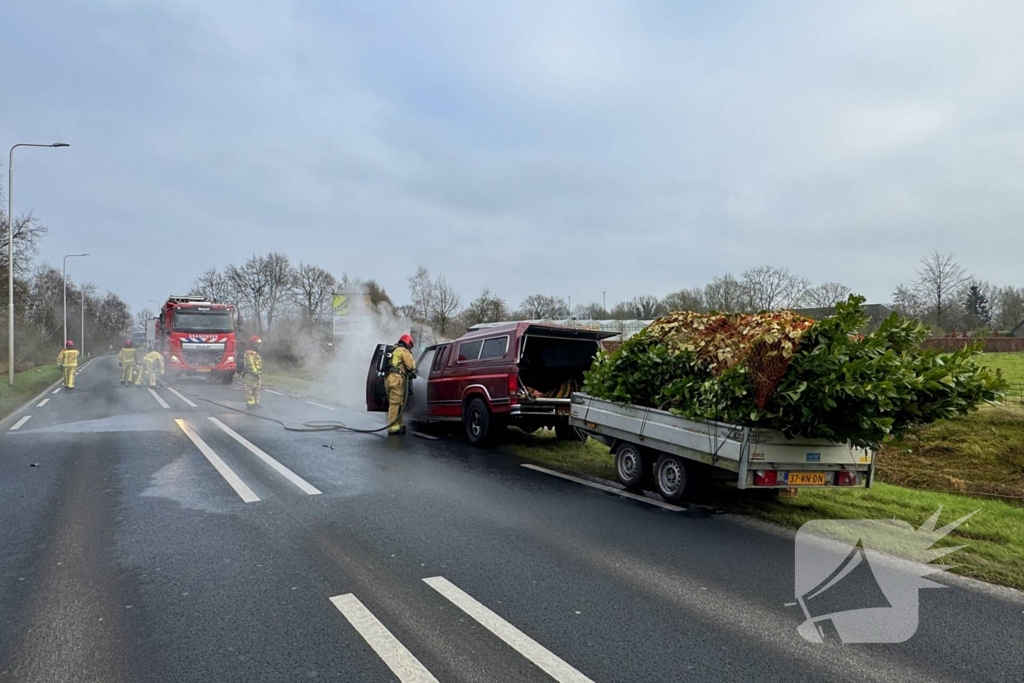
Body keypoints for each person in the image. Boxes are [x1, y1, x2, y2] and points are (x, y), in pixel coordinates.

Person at [386, 334, 417, 435]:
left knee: (398, 402)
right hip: (396, 379)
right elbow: (410, 366)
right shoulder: (403, 351)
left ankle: (398, 424)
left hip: (389, 379)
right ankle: (392, 427)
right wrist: (414, 371)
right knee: (395, 403)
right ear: (408, 343)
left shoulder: (393, 350)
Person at [242, 335, 263, 409]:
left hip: (257, 374)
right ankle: (250, 404)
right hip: (251, 374)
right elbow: (250, 364)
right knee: (250, 388)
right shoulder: (249, 353)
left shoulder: (255, 352)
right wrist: (255, 372)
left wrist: (259, 372)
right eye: (258, 344)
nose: (259, 346)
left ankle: (256, 402)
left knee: (257, 388)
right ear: (254, 344)